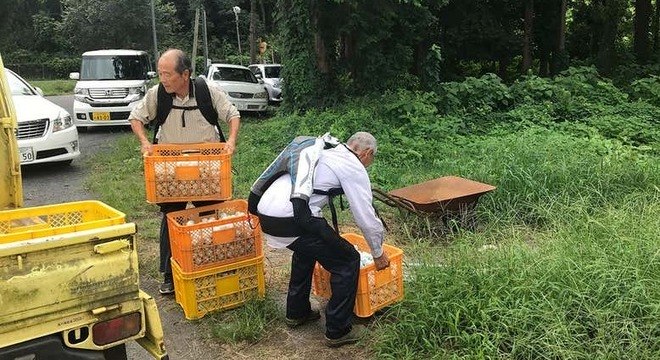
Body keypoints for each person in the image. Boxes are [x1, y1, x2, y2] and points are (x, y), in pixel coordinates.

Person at [249, 132, 389, 348]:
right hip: (292, 217)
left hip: (266, 214)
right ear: (367, 153)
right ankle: (338, 330)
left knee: (306, 249)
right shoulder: (353, 166)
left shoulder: (325, 150)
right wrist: (378, 253)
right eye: (372, 158)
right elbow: (366, 216)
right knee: (347, 260)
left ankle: (297, 312)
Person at [129, 48, 240, 295]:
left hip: (208, 169)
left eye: (168, 74)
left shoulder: (206, 91)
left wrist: (231, 141)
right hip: (171, 170)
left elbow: (232, 115)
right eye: (160, 73)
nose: (163, 79)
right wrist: (145, 143)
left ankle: (211, 264)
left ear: (185, 74)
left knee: (210, 215)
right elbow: (136, 118)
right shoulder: (158, 94)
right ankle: (169, 275)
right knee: (172, 218)